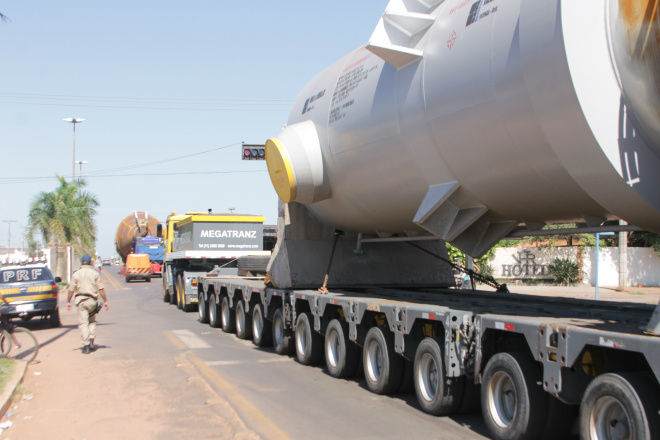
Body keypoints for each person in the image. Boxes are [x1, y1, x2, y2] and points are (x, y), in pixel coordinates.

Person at [66, 255, 110, 354]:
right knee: (92, 321)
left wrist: (68, 302)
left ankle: (86, 346)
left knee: (84, 323)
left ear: (82, 263)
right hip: (92, 301)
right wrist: (105, 301)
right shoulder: (95, 274)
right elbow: (101, 289)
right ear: (90, 263)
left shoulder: (76, 274)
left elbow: (71, 290)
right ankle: (91, 341)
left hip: (81, 301)